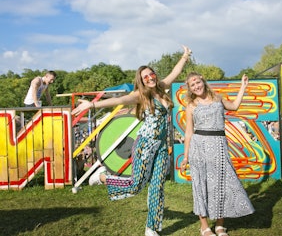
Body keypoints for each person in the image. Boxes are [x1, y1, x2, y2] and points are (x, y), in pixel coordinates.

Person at [72, 45, 192, 236]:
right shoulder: (140, 95)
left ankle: (151, 227)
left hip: (161, 146)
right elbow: (117, 101)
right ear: (141, 81)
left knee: (157, 186)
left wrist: (185, 56)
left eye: (152, 74)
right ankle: (102, 177)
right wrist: (92, 104)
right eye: (146, 77)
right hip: (144, 144)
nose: (150, 78)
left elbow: (174, 73)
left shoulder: (161, 88)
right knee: (136, 185)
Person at [181, 72, 255, 236]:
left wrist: (243, 86)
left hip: (219, 147)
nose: (196, 86)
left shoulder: (218, 98)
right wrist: (186, 157)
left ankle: (220, 225)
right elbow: (188, 132)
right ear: (190, 89)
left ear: (203, 81)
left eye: (197, 82)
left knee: (222, 185)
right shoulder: (191, 106)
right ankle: (204, 227)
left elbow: (235, 106)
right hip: (199, 148)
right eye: (192, 85)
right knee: (201, 186)